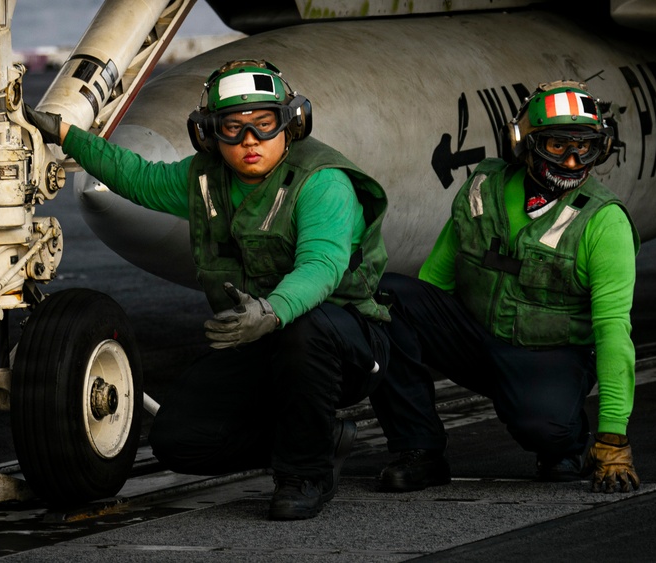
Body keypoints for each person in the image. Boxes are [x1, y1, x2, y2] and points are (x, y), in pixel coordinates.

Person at [25, 60, 391, 520]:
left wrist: (272, 311)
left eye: (264, 125)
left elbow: (321, 265)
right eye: (232, 128)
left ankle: (304, 475)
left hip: (344, 342)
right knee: (179, 441)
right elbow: (136, 177)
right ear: (208, 134)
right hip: (262, 340)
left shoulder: (321, 181)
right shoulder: (204, 180)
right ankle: (318, 437)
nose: (249, 142)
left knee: (305, 331)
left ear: (293, 122)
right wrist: (66, 134)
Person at [369, 80, 641, 494]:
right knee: (388, 298)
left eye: (584, 148)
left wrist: (613, 438)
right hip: (478, 340)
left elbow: (613, 332)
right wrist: (378, 346)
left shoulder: (605, 222)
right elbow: (433, 284)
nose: (572, 162)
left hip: (548, 354)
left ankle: (567, 440)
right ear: (523, 143)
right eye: (556, 146)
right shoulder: (484, 189)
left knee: (544, 432)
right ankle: (418, 450)